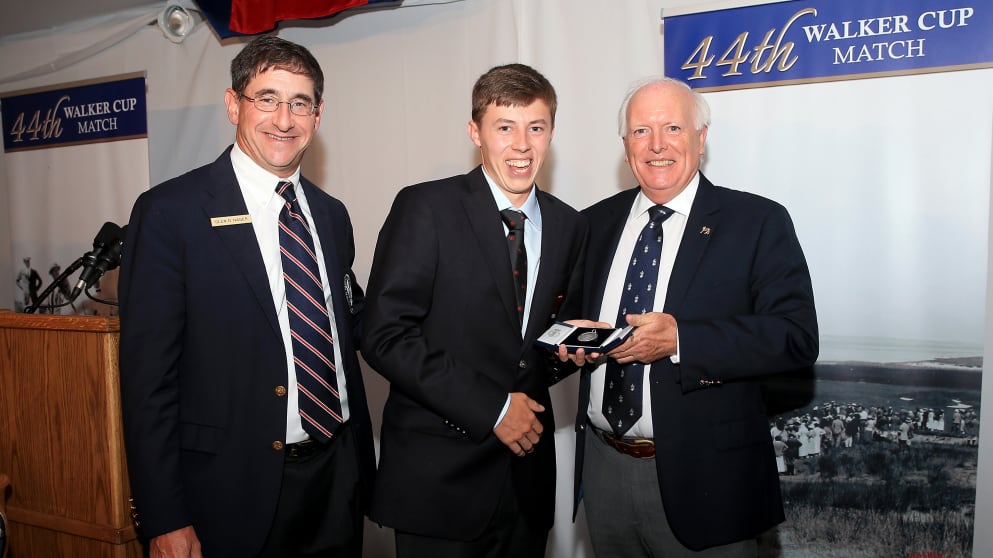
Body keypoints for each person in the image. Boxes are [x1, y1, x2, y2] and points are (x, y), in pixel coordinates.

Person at [118, 35, 376, 558]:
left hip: (335, 480)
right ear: (234, 104)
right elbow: (148, 382)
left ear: (318, 115)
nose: (284, 119)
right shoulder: (170, 213)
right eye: (267, 99)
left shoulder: (331, 215)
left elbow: (345, 326)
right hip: (229, 492)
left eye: (299, 103)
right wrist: (165, 516)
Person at [572, 77, 818, 556]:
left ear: (701, 138)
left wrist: (682, 340)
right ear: (625, 146)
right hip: (604, 473)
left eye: (672, 128)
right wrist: (571, 345)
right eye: (641, 131)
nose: (656, 145)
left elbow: (796, 337)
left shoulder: (756, 222)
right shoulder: (593, 223)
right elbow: (570, 320)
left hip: (711, 482)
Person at [361, 63, 587, 558]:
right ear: (475, 132)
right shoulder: (426, 207)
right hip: (439, 485)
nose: (522, 145)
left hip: (526, 481)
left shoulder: (569, 225)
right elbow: (383, 334)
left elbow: (530, 352)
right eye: (505, 127)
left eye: (536, 127)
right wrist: (493, 409)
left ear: (552, 132)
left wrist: (569, 350)